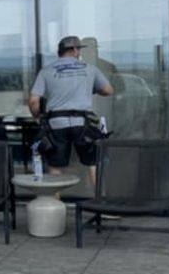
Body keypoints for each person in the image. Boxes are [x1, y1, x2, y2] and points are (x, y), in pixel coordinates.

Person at [28, 36, 112, 186]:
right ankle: (101, 202)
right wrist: (89, 89)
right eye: (78, 49)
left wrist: (37, 116)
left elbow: (34, 100)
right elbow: (108, 90)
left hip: (56, 123)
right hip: (82, 123)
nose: (79, 52)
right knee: (93, 162)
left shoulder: (46, 71)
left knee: (55, 166)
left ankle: (55, 205)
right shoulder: (89, 68)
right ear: (74, 50)